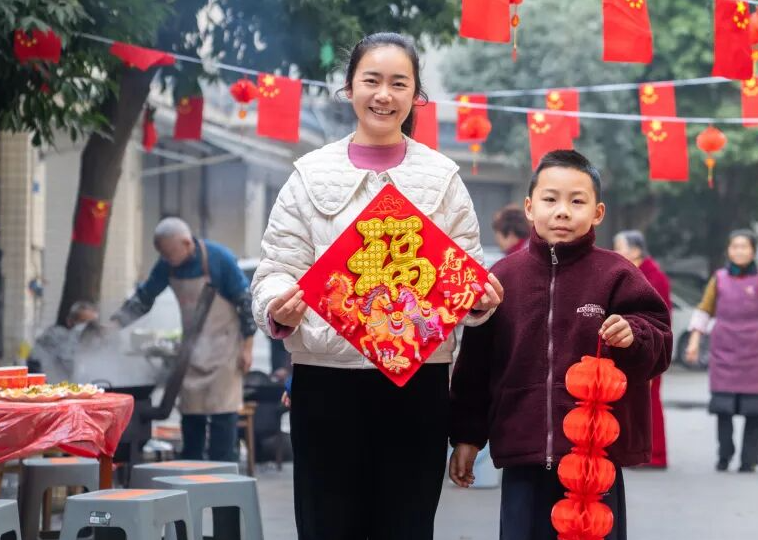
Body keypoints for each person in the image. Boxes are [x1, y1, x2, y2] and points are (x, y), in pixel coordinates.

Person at [250, 32, 503, 539]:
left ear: (416, 96)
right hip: (326, 380)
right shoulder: (309, 174)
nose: (383, 95)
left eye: (398, 83)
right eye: (371, 80)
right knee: (326, 524)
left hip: (418, 383)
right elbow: (277, 266)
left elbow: (466, 272)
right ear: (349, 88)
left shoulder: (443, 178)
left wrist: (479, 301)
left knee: (406, 523)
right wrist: (278, 305)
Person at [449, 150, 673, 540]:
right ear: (530, 207)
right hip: (523, 451)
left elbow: (660, 340)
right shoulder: (503, 278)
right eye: (550, 199)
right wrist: (467, 436)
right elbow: (475, 365)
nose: (563, 212)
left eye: (577, 201)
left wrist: (634, 334)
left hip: (594, 459)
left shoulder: (618, 274)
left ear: (598, 213)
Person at [112, 217, 255, 462]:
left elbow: (246, 303)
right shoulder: (166, 266)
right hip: (191, 352)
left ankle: (223, 475)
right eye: (163, 255)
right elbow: (144, 298)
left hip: (225, 352)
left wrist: (248, 348)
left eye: (170, 253)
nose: (167, 259)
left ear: (187, 243)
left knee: (223, 418)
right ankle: (191, 472)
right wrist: (115, 324)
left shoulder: (220, 259)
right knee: (191, 416)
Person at [684, 229, 758, 473]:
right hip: (724, 351)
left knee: (754, 411)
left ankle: (749, 460)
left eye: (744, 247)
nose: (739, 251)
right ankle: (724, 455)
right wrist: (694, 341)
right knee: (723, 409)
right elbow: (704, 311)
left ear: (753, 252)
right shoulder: (719, 279)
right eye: (734, 247)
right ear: (728, 250)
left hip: (757, 353)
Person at [614, 229, 670, 469]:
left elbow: (658, 318)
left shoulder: (653, 276)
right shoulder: (635, 273)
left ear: (635, 251)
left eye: (619, 248)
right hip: (635, 345)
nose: (615, 252)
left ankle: (655, 454)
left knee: (649, 401)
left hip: (650, 347)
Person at [28, 301, 100, 383]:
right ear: (70, 321)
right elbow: (66, 364)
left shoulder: (95, 343)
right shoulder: (53, 336)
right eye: (83, 322)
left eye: (91, 324)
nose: (87, 328)